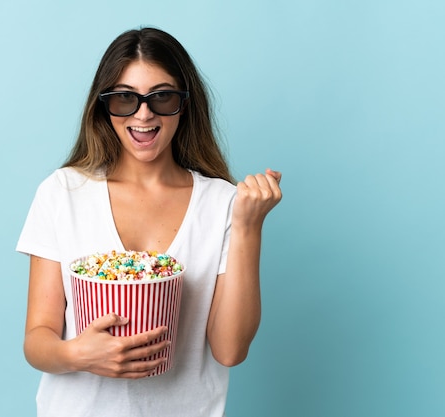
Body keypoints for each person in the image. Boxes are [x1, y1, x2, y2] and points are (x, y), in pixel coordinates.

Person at [16, 27, 282, 417]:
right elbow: (37, 340)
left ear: (184, 103)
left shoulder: (224, 203)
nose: (144, 114)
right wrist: (77, 354)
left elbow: (230, 351)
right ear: (103, 106)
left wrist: (248, 226)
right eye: (125, 98)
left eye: (162, 97)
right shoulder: (63, 192)